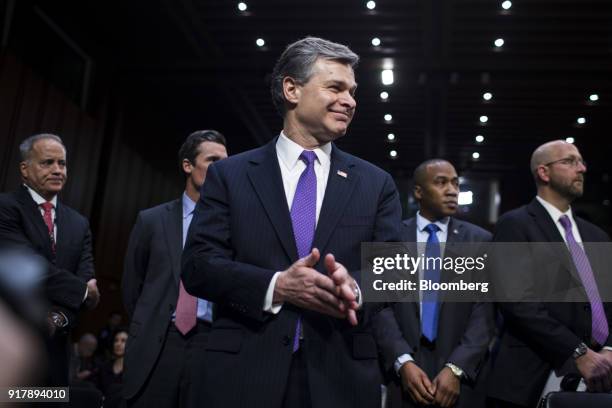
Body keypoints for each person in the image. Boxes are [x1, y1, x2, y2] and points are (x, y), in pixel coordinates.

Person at [182, 37, 402, 408]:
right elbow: (198, 265)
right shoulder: (230, 176)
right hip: (243, 375)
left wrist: (356, 288)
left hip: (340, 375)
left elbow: (396, 271)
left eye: (352, 91)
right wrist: (277, 286)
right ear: (291, 89)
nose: (349, 100)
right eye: (335, 87)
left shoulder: (376, 183)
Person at [487, 140, 612, 407]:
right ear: (544, 172)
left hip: (602, 375)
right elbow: (517, 302)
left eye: (581, 161)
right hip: (534, 373)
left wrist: (609, 350)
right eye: (570, 161)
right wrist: (578, 352)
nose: (581, 169)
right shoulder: (515, 224)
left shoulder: (596, 234)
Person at [375, 159, 495, 408]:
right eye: (441, 182)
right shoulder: (391, 237)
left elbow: (485, 311)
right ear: (418, 191)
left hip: (462, 377)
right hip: (403, 375)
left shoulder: (481, 240)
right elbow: (380, 305)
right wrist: (402, 361)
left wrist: (456, 367)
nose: (452, 190)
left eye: (455, 183)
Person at [122, 130, 228, 407]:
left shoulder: (233, 228)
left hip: (208, 343)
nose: (222, 169)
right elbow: (132, 285)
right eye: (212, 160)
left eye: (225, 162)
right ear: (187, 165)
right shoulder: (151, 221)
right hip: (157, 341)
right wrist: (149, 322)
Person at [0, 133, 100, 385]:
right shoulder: (5, 208)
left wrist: (58, 318)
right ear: (25, 169)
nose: (57, 170)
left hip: (57, 354)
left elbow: (87, 279)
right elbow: (30, 270)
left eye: (62, 163)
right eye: (47, 163)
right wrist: (81, 291)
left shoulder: (79, 223)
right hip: (10, 345)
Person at [97, 328, 128, 408]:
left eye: (123, 341)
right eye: (116, 340)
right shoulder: (104, 367)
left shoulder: (132, 370)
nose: (118, 344)